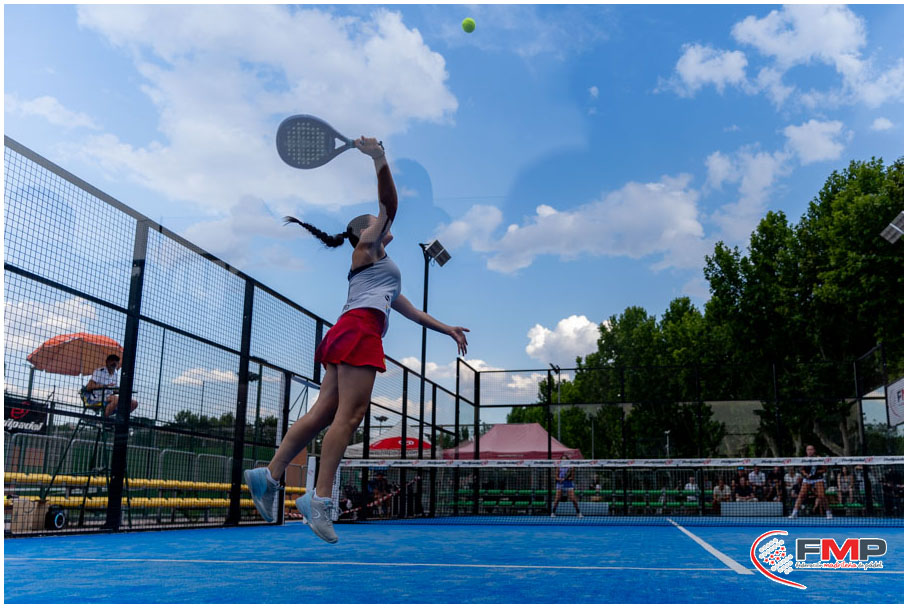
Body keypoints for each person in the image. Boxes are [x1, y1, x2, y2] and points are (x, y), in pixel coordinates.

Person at [242, 137, 469, 543]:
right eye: (376, 221)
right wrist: (378, 157)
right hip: (358, 330)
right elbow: (390, 206)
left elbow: (413, 312)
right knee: (350, 416)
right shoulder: (367, 247)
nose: (384, 224)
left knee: (323, 414)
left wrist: (447, 328)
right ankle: (319, 500)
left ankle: (269, 475)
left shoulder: (381, 270)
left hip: (348, 330)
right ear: (367, 231)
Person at [84, 354, 138, 418]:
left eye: (116, 361)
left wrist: (124, 390)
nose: (114, 362)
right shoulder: (99, 371)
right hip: (97, 397)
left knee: (134, 403)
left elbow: (114, 390)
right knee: (115, 399)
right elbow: (89, 387)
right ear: (107, 362)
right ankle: (104, 420)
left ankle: (119, 418)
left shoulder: (115, 373)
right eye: (112, 360)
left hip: (109, 396)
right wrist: (105, 386)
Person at [789, 444, 832, 519]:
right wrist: (806, 474)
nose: (809, 451)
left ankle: (828, 512)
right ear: (806, 451)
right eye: (808, 450)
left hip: (818, 478)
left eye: (811, 449)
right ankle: (794, 513)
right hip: (807, 479)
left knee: (821, 496)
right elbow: (802, 469)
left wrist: (816, 472)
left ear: (814, 451)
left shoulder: (819, 458)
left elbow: (825, 469)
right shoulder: (804, 459)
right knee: (801, 495)